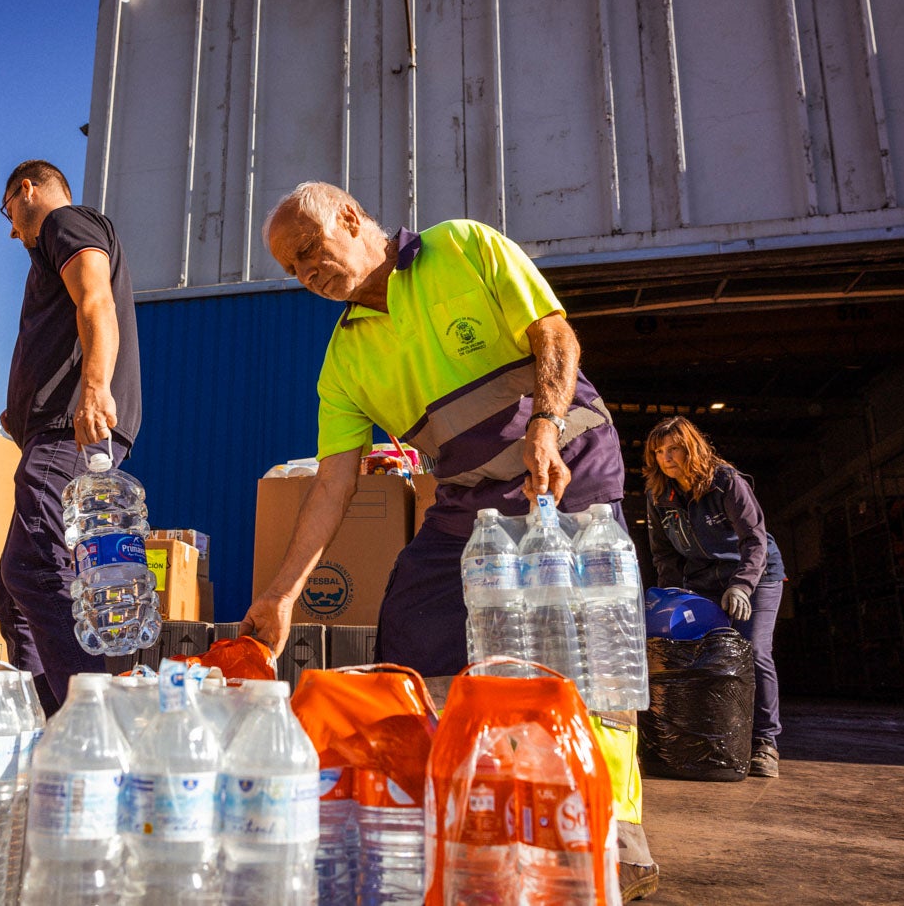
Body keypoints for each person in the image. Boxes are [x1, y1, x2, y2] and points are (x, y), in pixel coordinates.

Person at [243, 181, 658, 900]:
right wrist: (279, 595)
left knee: (585, 659)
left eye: (310, 251)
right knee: (410, 629)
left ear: (350, 217)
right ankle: (440, 804)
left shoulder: (461, 247)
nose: (308, 274)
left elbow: (552, 334)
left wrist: (545, 425)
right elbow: (333, 486)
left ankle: (610, 836)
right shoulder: (344, 360)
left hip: (568, 472)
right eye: (293, 269)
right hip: (470, 506)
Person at [0, 160, 141, 716]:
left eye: (8, 210)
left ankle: (89, 723)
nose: (12, 228)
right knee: (14, 601)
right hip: (53, 430)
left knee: (34, 566)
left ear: (25, 190)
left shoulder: (64, 222)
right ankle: (46, 727)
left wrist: (94, 388)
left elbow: (95, 300)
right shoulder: (53, 243)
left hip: (71, 429)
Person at [643, 415, 785, 778]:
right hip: (703, 579)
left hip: (756, 574)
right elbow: (664, 554)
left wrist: (743, 584)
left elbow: (754, 538)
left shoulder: (725, 482)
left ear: (691, 447)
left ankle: (764, 743)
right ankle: (715, 740)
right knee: (696, 652)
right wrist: (671, 594)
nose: (666, 457)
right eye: (659, 451)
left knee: (752, 648)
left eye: (673, 448)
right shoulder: (660, 496)